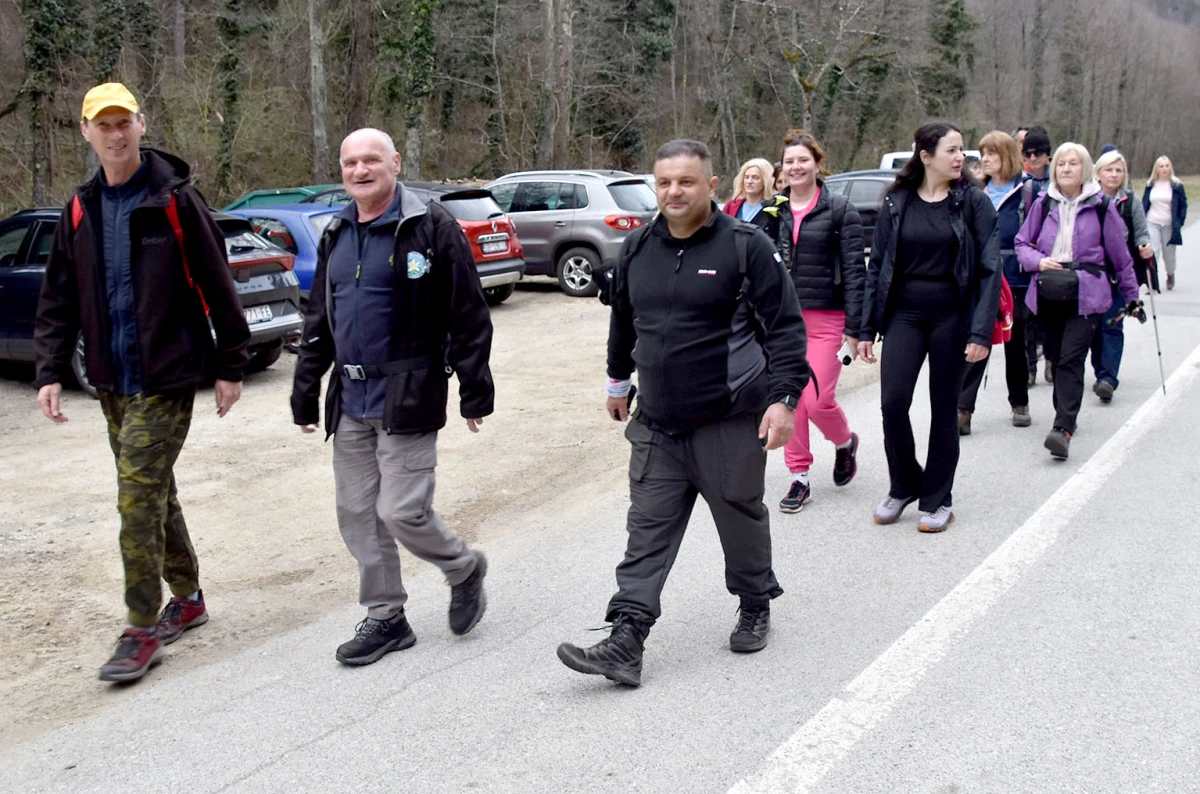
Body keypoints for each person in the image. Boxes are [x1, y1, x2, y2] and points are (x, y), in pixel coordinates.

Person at [557, 139, 810, 687]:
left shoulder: (746, 248)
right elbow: (623, 320)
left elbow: (788, 330)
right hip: (658, 421)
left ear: (711, 185)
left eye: (686, 182)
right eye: (665, 181)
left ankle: (754, 601)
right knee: (646, 530)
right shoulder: (638, 247)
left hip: (729, 417)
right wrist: (617, 380)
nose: (674, 191)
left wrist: (784, 400)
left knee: (740, 518)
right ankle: (627, 636)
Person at [33, 83, 251, 682]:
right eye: (102, 124)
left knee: (135, 498)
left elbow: (217, 283)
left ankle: (139, 627)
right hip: (110, 382)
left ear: (141, 123)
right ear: (86, 132)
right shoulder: (79, 210)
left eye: (123, 121)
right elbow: (58, 299)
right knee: (156, 493)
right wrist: (50, 370)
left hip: (166, 377)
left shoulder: (175, 202)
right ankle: (189, 597)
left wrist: (231, 364)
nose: (115, 133)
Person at [291, 128, 493, 666]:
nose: (361, 170)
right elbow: (319, 319)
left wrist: (475, 390)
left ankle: (462, 566)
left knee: (401, 510)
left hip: (409, 391)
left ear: (395, 163)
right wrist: (305, 391)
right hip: (351, 396)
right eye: (351, 162)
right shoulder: (335, 231)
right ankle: (386, 617)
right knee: (358, 513)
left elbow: (468, 313)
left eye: (371, 160)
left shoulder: (431, 227)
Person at [858, 121, 1001, 533]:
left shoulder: (973, 203)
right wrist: (866, 328)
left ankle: (938, 499)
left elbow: (991, 269)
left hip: (952, 316)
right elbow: (878, 266)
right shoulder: (896, 201)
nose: (961, 158)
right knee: (892, 403)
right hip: (904, 315)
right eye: (952, 150)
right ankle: (904, 484)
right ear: (925, 156)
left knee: (944, 411)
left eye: (963, 151)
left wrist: (980, 332)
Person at [752, 130, 864, 512]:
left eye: (803, 160)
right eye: (789, 161)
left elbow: (854, 272)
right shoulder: (772, 211)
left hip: (828, 320)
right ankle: (799, 477)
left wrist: (856, 329)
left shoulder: (840, 209)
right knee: (790, 399)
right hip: (782, 322)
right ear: (781, 169)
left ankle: (845, 441)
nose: (796, 167)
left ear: (817, 163)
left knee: (816, 402)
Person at [1015, 143, 1140, 460]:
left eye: (1073, 163)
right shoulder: (1044, 203)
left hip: (1087, 293)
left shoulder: (1102, 206)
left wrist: (1132, 296)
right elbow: (1021, 244)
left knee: (1071, 358)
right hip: (1049, 292)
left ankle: (1062, 429)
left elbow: (1120, 257)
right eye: (1061, 164)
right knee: (1056, 356)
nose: (1066, 169)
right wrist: (1039, 261)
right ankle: (1065, 410)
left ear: (1084, 169)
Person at [958, 131, 1031, 433]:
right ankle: (963, 409)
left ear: (1008, 157)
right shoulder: (975, 192)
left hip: (1016, 278)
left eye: (992, 154)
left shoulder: (1027, 193)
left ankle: (1019, 401)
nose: (984, 159)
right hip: (982, 278)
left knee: (1015, 345)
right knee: (979, 340)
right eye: (982, 153)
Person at [1090, 149, 1154, 403]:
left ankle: (1108, 378)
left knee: (1113, 324)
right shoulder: (1090, 200)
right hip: (1092, 274)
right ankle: (1100, 371)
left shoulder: (1130, 200)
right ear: (1098, 173)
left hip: (1119, 273)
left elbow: (1141, 230)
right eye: (1109, 170)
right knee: (1094, 329)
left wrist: (1144, 245)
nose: (1114, 175)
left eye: (1119, 170)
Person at [1021, 126, 1054, 385]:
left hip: (1056, 253)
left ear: (1047, 155)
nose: (1033, 158)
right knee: (1029, 315)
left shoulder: (1059, 181)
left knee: (1051, 314)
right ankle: (1030, 366)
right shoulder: (1027, 184)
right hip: (1032, 251)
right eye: (1028, 153)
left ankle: (1052, 361)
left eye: (1038, 153)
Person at [1142, 156, 1188, 291]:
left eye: (1167, 166)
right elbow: (1145, 203)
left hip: (1169, 224)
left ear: (1170, 168)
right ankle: (1152, 281)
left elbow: (1183, 206)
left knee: (1169, 255)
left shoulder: (1177, 185)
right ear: (1157, 168)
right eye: (1161, 166)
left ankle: (1170, 274)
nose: (1164, 169)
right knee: (1153, 251)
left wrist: (1179, 223)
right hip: (1152, 222)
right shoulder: (1150, 184)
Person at [723, 158, 774, 222]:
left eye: (755, 178)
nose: (749, 181)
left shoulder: (773, 209)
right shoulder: (732, 205)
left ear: (766, 181)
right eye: (746, 177)